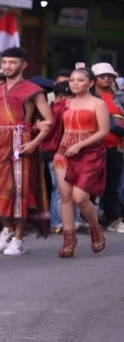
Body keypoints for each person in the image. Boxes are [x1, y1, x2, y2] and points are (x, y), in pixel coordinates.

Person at [0, 47, 54, 256]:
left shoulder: (33, 90)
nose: (7, 66)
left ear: (23, 65)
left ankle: (18, 238)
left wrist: (34, 143)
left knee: (18, 191)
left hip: (21, 139)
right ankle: (7, 227)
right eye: (5, 62)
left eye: (12, 62)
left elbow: (49, 120)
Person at [52, 67, 110, 256]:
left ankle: (95, 228)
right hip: (63, 153)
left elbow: (104, 131)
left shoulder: (98, 103)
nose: (75, 83)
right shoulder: (65, 103)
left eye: (80, 80)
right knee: (66, 197)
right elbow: (55, 125)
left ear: (90, 83)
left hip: (89, 154)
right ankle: (69, 241)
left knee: (80, 198)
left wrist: (80, 145)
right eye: (72, 80)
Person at [90, 62, 123, 233]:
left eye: (110, 76)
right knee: (90, 185)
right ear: (94, 79)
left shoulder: (120, 97)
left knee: (112, 185)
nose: (106, 78)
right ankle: (90, 220)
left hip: (116, 147)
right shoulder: (88, 96)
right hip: (92, 147)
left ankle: (113, 219)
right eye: (102, 76)